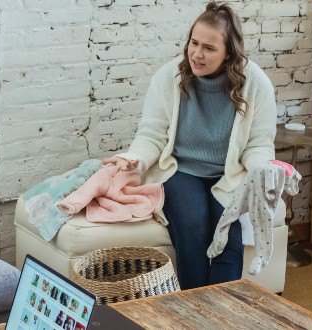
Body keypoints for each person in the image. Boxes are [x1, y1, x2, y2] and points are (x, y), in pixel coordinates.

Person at [103, 1, 276, 290]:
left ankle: (220, 312)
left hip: (229, 175)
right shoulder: (169, 77)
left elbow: (258, 144)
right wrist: (134, 157)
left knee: (228, 234)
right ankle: (192, 308)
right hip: (181, 170)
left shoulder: (255, 83)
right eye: (193, 43)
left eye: (209, 48)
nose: (197, 53)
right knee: (193, 227)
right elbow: (152, 135)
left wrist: (264, 169)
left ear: (229, 53)